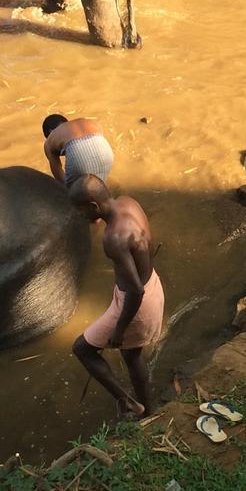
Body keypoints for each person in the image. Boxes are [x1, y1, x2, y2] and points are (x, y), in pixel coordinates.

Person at [68, 174, 164, 418]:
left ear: (93, 207)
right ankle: (148, 411)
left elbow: (134, 290)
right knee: (132, 357)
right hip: (153, 285)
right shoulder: (128, 202)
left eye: (81, 211)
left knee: (82, 349)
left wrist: (119, 329)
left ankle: (127, 402)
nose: (80, 216)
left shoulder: (113, 237)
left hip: (136, 303)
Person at [43, 114, 114, 188]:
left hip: (78, 152)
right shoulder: (86, 122)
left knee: (74, 192)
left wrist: (68, 186)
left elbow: (57, 171)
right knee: (100, 188)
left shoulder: (51, 137)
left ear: (50, 131)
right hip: (105, 150)